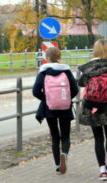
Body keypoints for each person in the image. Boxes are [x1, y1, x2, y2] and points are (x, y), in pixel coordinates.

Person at [77, 39, 107, 181]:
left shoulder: (88, 68)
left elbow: (80, 83)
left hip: (92, 106)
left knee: (98, 138)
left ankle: (102, 171)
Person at [32, 45, 79, 174]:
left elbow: (35, 91)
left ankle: (58, 164)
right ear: (59, 57)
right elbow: (75, 89)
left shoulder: (43, 72)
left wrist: (47, 99)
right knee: (65, 136)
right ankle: (64, 153)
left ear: (47, 58)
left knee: (54, 136)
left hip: (49, 108)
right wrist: (66, 99)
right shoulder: (66, 71)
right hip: (65, 107)